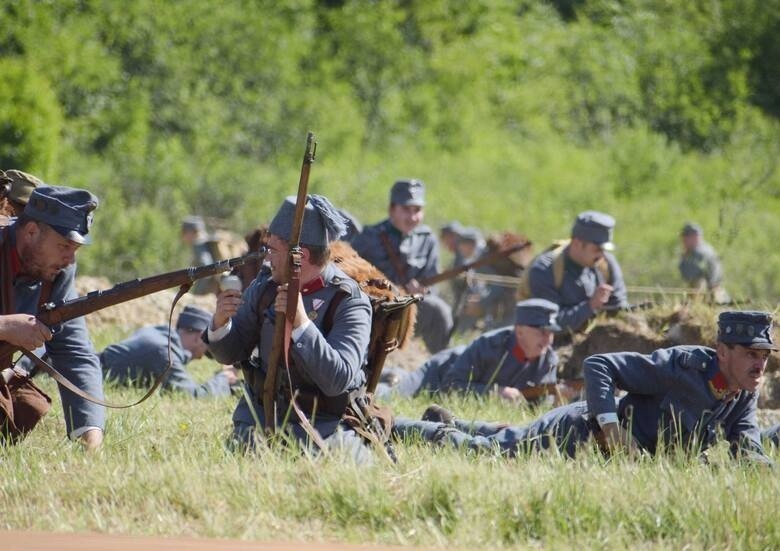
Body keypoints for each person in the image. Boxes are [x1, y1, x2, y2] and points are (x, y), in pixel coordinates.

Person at [394, 310, 775, 465]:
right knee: (488, 454)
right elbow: (599, 364)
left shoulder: (744, 388)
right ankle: (396, 427)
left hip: (609, 457)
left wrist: (759, 465)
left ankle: (454, 422)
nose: (760, 364)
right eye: (750, 354)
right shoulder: (683, 366)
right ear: (722, 351)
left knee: (510, 437)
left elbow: (745, 441)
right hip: (579, 433)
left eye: (765, 355)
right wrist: (612, 428)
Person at [205, 194, 373, 462]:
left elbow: (338, 379)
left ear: (301, 256)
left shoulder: (348, 301)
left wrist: (302, 324)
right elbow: (229, 353)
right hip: (259, 425)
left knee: (343, 467)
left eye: (272, 250)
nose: (267, 258)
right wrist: (220, 324)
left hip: (323, 429)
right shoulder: (265, 287)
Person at [0, 185, 104, 450]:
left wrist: (91, 440)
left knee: (26, 407)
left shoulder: (57, 269)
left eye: (75, 249)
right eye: (64, 246)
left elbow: (73, 350)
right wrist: (4, 326)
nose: (69, 259)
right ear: (32, 231)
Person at [378, 299, 561, 402]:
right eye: (542, 332)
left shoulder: (548, 359)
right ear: (519, 331)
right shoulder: (489, 345)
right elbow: (451, 386)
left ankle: (397, 375)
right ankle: (390, 376)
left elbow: (539, 404)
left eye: (551, 333)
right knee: (387, 397)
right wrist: (494, 393)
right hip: (436, 375)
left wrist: (558, 395)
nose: (548, 339)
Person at [352, 179, 453, 353]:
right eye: (406, 209)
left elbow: (431, 285)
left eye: (417, 210)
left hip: (412, 306)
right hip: (376, 307)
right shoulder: (369, 237)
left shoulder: (427, 239)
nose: (413, 217)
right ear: (392, 209)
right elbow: (351, 273)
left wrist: (422, 291)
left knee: (440, 311)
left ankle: (439, 366)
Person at [100, 305, 238, 397]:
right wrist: (224, 378)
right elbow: (192, 395)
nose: (201, 357)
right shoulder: (164, 352)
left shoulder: (157, 335)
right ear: (199, 337)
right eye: (207, 351)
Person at [525, 211, 628, 333]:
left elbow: (619, 308)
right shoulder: (545, 269)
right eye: (597, 249)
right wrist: (590, 306)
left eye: (604, 250)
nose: (601, 255)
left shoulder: (607, 264)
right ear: (577, 243)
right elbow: (550, 324)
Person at [678, 222, 730, 304]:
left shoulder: (698, 253)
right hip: (715, 291)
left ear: (695, 237)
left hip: (707, 293)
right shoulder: (707, 248)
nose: (683, 240)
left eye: (686, 237)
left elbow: (690, 276)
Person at [180, 215, 218, 295]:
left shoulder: (198, 244)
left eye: (184, 231)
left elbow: (207, 269)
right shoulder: (203, 243)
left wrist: (197, 294)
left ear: (191, 232)